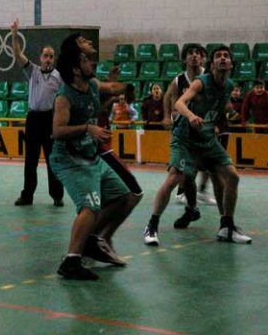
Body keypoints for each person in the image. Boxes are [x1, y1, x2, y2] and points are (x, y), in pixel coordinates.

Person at [143, 45, 252, 246]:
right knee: (175, 177)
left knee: (231, 177)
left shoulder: (228, 86)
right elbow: (179, 103)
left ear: (231, 63)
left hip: (207, 138)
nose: (222, 59)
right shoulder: (201, 83)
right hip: (185, 137)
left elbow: (218, 108)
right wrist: (191, 115)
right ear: (211, 64)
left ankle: (226, 227)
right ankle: (152, 225)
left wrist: (218, 124)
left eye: (226, 56)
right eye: (218, 56)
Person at [51, 33, 136, 280]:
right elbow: (56, 131)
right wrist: (88, 129)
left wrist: (122, 89)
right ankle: (71, 261)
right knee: (90, 206)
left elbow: (107, 91)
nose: (93, 64)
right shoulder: (64, 96)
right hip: (69, 160)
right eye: (88, 61)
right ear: (76, 68)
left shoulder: (92, 86)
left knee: (123, 197)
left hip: (89, 158)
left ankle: (89, 240)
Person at [9, 18, 65, 207]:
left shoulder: (59, 77)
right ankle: (27, 196)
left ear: (54, 59)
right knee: (30, 160)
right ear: (40, 58)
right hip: (33, 119)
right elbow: (17, 53)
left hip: (50, 119)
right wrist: (14, 34)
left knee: (53, 161)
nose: (48, 59)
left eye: (51, 56)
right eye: (45, 56)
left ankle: (57, 195)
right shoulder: (32, 71)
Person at [162, 44, 214, 206]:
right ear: (185, 59)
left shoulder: (209, 76)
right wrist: (167, 116)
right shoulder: (179, 79)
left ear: (203, 58)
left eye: (198, 53)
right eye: (191, 53)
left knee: (209, 161)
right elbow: (168, 97)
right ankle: (181, 192)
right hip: (184, 126)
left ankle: (202, 191)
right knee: (185, 161)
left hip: (204, 125)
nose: (194, 56)